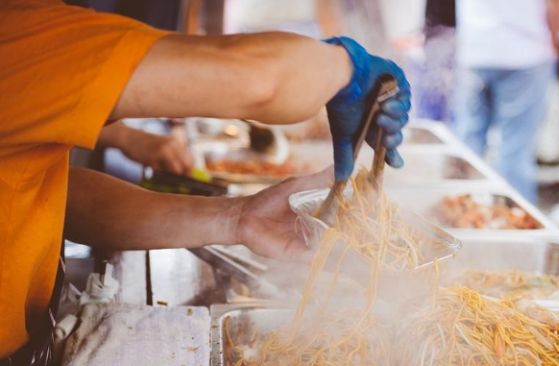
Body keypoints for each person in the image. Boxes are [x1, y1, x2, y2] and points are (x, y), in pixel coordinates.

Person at [0, 1, 411, 363]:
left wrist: (237, 219)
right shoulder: (17, 31)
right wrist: (348, 66)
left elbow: (56, 197)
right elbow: (260, 80)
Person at [453, 0, 559, 202]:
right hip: (525, 52)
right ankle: (513, 217)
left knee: (468, 143)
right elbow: (556, 5)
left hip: (475, 48)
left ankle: (457, 211)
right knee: (514, 151)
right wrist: (556, 43)